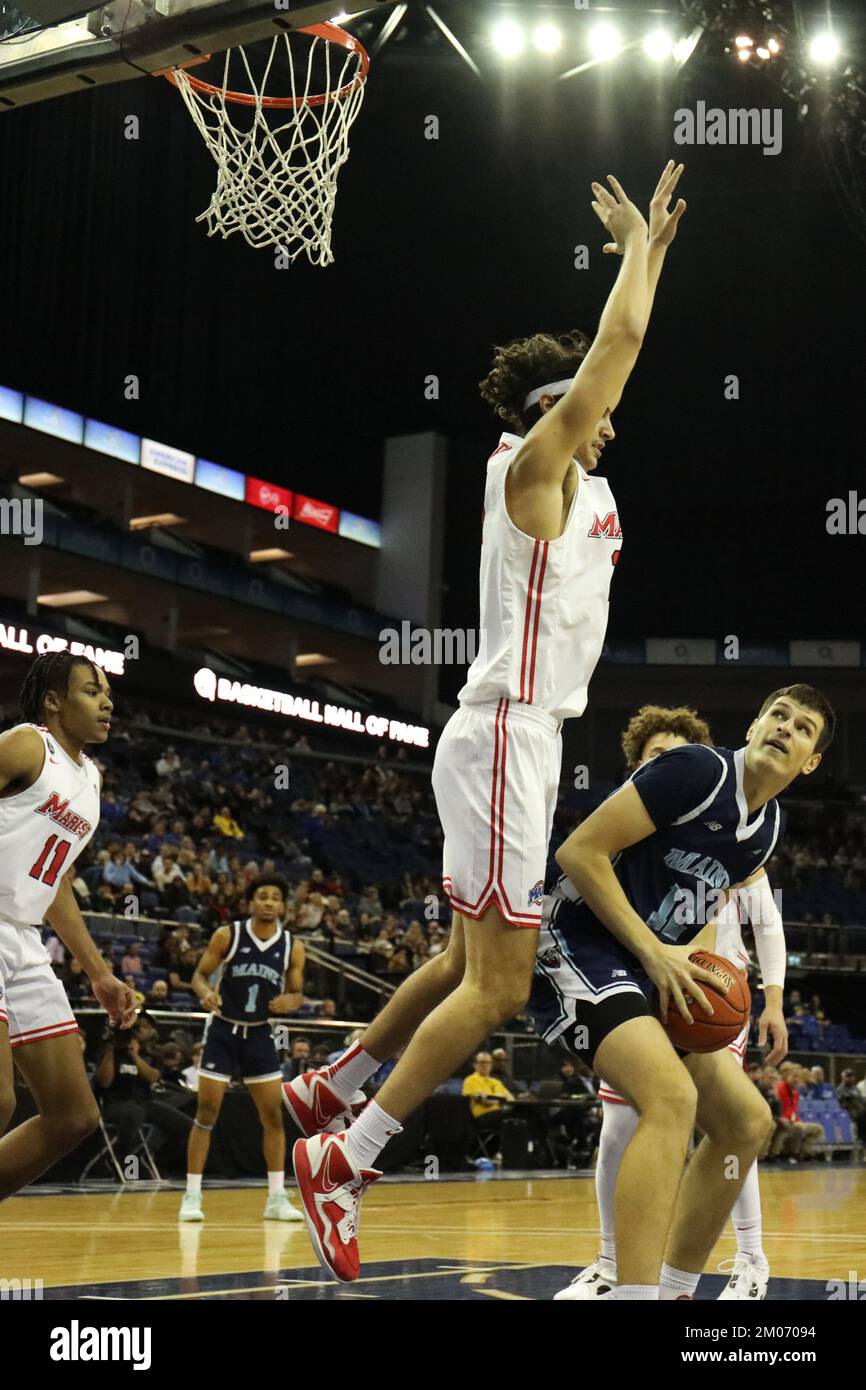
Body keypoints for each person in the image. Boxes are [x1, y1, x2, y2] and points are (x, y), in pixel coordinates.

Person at [286, 161, 689, 1282]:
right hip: (509, 733)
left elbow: (615, 368)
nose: (606, 420)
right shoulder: (532, 471)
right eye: (586, 408)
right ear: (552, 412)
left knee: (466, 958)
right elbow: (612, 360)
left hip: (508, 738)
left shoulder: (580, 484)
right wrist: (636, 256)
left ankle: (332, 1082)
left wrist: (638, 261)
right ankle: (346, 1155)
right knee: (502, 986)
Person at [526, 684, 834, 1300]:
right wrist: (653, 952)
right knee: (668, 1101)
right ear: (753, 724)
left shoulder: (765, 829)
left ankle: (673, 1290)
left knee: (747, 1121)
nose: (785, 729)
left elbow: (694, 910)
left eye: (802, 729)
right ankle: (628, 1285)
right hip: (572, 940)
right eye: (777, 714)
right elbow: (577, 852)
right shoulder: (695, 768)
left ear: (811, 761)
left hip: (642, 963)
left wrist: (694, 977)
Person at [0, 653, 136, 1200]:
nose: (107, 702)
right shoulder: (26, 743)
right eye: (90, 690)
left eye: (107, 692)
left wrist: (99, 974)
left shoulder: (91, 781)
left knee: (73, 1115)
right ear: (54, 701)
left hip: (24, 939)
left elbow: (54, 880)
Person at [179, 876, 305, 1223]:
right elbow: (199, 975)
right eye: (262, 896)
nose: (268, 902)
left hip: (261, 1034)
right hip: (223, 1030)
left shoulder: (292, 945)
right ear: (251, 903)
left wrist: (289, 1001)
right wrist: (205, 992)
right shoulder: (228, 935)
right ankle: (192, 1195)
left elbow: (297, 992)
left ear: (282, 906)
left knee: (273, 1116)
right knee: (206, 1111)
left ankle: (277, 1197)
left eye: (275, 898)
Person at [462, 1051, 514, 1152]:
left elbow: (511, 1099)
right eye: (482, 1062)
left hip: (498, 1115)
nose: (485, 1065)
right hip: (481, 1118)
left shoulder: (496, 1082)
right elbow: (486, 1101)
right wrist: (500, 1098)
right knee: (515, 1117)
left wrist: (495, 1098)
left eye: (488, 1063)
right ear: (475, 1065)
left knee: (526, 1114)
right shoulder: (471, 1080)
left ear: (491, 1065)